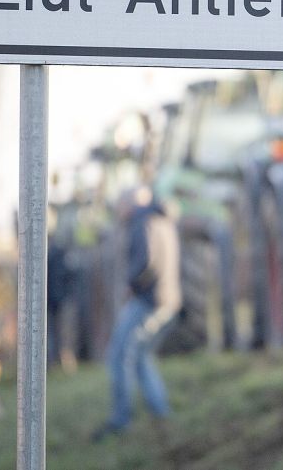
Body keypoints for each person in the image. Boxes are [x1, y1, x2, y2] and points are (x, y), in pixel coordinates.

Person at [93, 186, 180, 441]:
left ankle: (121, 419)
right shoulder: (161, 219)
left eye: (119, 204)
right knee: (141, 356)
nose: (117, 210)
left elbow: (148, 262)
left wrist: (131, 284)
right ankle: (160, 411)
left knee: (119, 355)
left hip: (147, 300)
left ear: (129, 204)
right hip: (167, 299)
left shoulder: (142, 222)